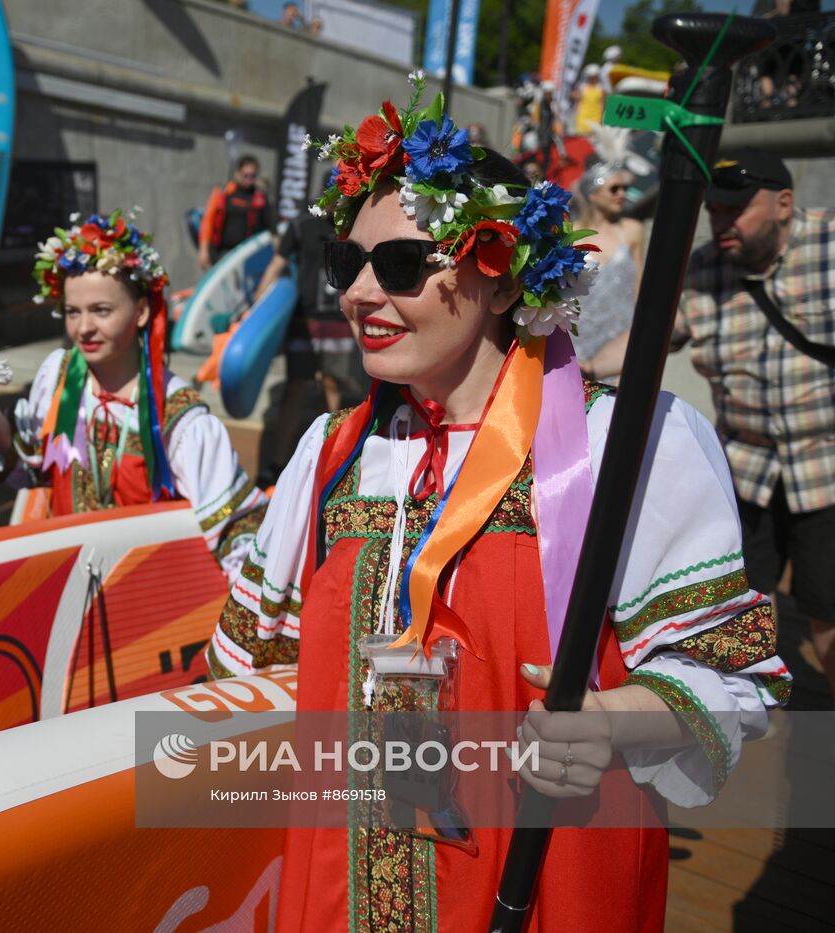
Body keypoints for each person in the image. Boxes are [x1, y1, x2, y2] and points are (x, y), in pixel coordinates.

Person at [209, 76, 788, 931]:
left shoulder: (623, 448)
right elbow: (248, 668)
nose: (362, 293)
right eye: (348, 264)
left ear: (506, 283)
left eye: (402, 264)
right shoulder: (332, 454)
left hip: (548, 876)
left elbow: (731, 675)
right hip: (341, 886)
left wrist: (612, 722)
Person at [0, 210, 268, 578]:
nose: (83, 328)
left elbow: (235, 531)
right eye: (72, 312)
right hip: (65, 588)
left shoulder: (178, 415)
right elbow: (33, 474)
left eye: (101, 311)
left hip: (144, 604)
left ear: (143, 311)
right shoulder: (59, 377)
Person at [675, 147, 835, 699]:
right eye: (714, 211)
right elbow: (653, 336)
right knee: (740, 599)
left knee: (826, 615)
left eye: (734, 211)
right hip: (746, 466)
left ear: (784, 203)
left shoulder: (830, 248)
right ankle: (754, 703)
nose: (720, 223)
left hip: (825, 464)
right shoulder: (704, 265)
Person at [251, 185, 370, 484]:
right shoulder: (301, 226)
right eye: (333, 197)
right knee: (296, 388)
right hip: (304, 320)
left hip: (337, 319)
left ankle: (331, 461)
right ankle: (276, 466)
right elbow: (276, 266)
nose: (337, 203)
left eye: (342, 197)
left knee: (333, 386)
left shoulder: (351, 227)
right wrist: (253, 309)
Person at [571, 147, 646, 381]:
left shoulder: (632, 230)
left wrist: (640, 339)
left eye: (625, 188)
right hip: (578, 339)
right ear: (593, 193)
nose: (621, 194)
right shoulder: (572, 234)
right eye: (614, 188)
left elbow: (640, 288)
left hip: (622, 339)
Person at [198, 155, 274, 271]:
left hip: (247, 255)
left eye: (252, 176)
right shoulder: (223, 192)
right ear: (238, 173)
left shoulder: (260, 197)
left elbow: (271, 226)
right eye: (246, 175)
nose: (249, 179)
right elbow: (208, 220)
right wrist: (204, 250)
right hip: (222, 253)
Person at [573, 63, 606, 134]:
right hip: (582, 118)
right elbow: (577, 102)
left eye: (594, 76)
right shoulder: (582, 87)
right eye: (590, 76)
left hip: (596, 118)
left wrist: (601, 119)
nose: (592, 78)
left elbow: (602, 104)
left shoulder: (600, 88)